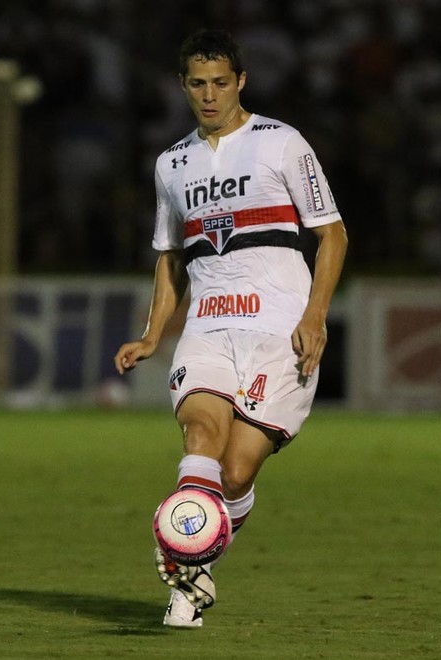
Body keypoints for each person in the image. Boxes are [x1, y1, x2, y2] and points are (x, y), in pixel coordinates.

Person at [113, 28, 348, 628]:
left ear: (241, 81)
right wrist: (152, 333)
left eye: (221, 82)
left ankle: (198, 550)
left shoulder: (281, 143)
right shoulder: (172, 164)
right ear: (184, 87)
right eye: (198, 84)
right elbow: (170, 257)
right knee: (200, 435)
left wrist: (314, 315)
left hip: (279, 330)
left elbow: (332, 234)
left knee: (238, 470)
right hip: (210, 325)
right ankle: (186, 577)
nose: (210, 95)